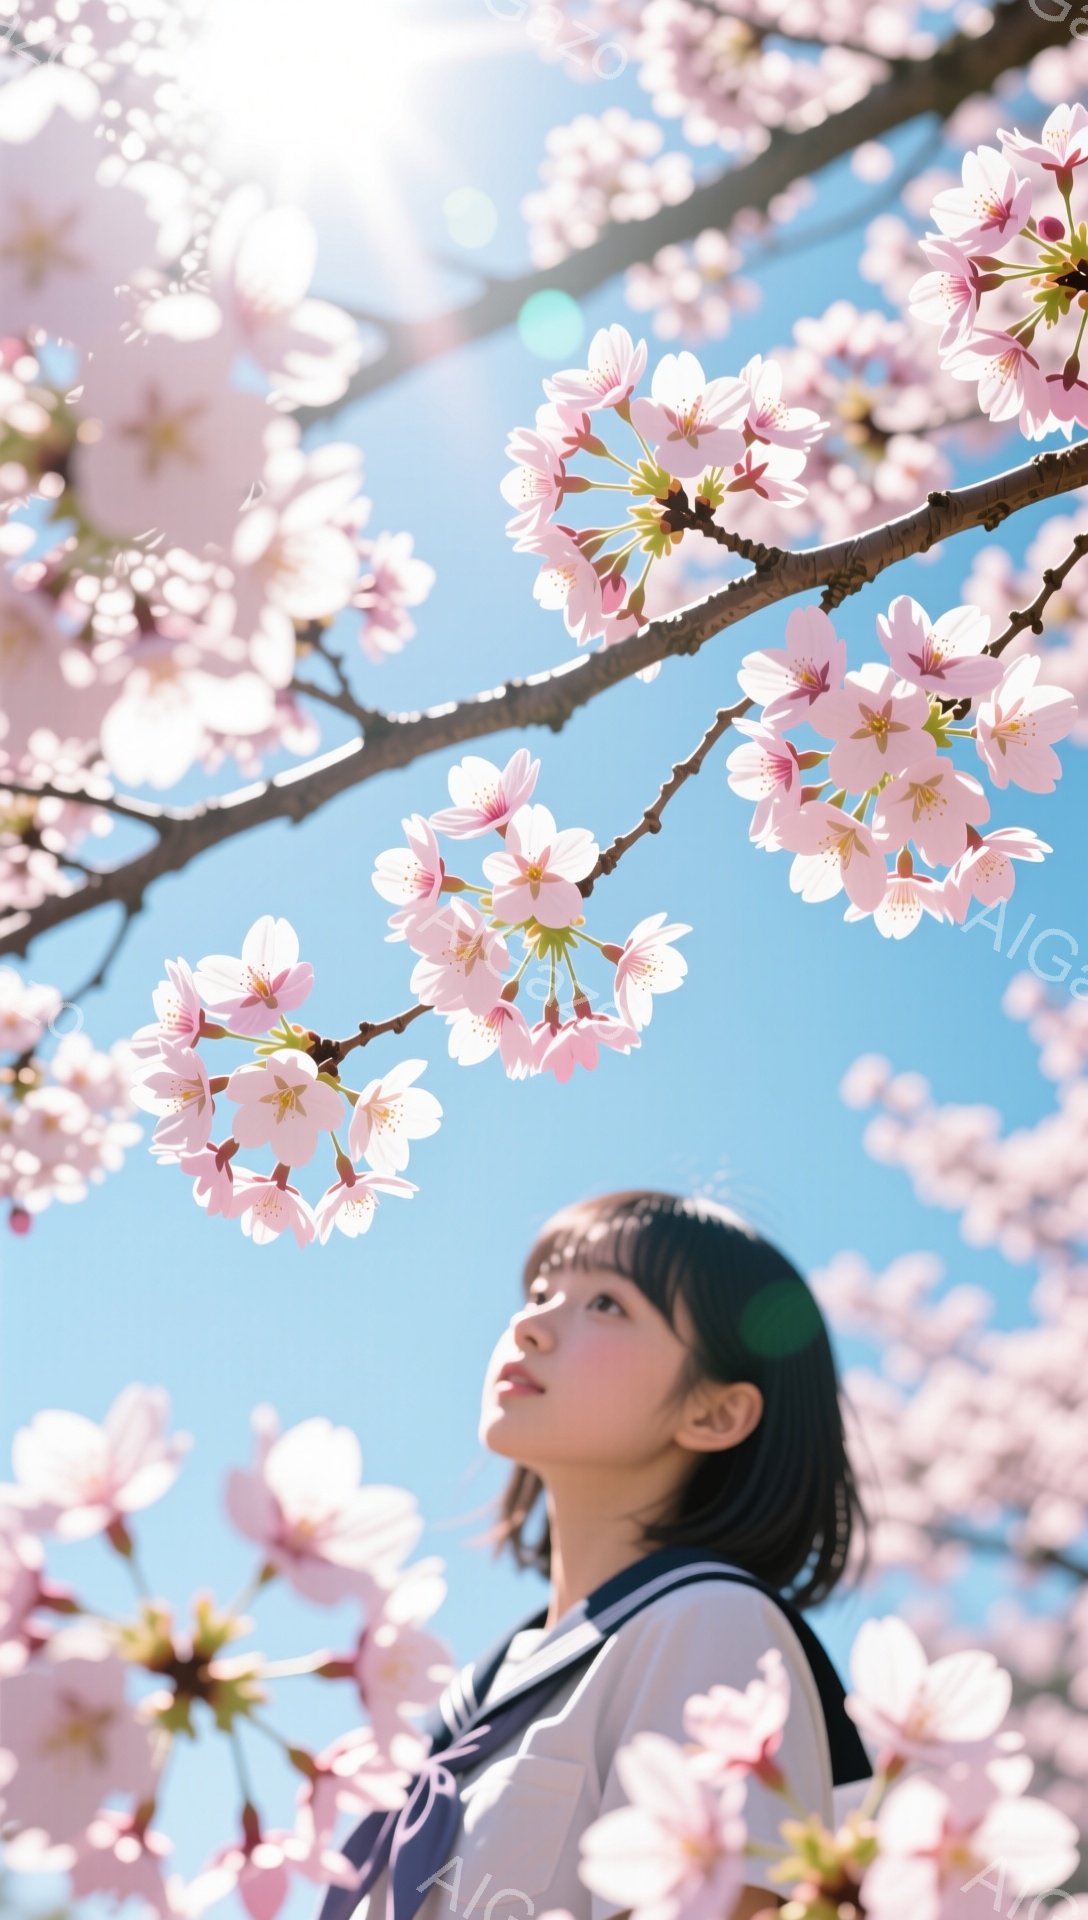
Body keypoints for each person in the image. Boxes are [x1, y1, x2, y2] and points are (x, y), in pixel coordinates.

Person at [316, 1188, 875, 1920]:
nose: (531, 1324)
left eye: (607, 1304)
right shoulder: (476, 1696)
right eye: (542, 1292)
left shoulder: (711, 1625)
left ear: (715, 1411)